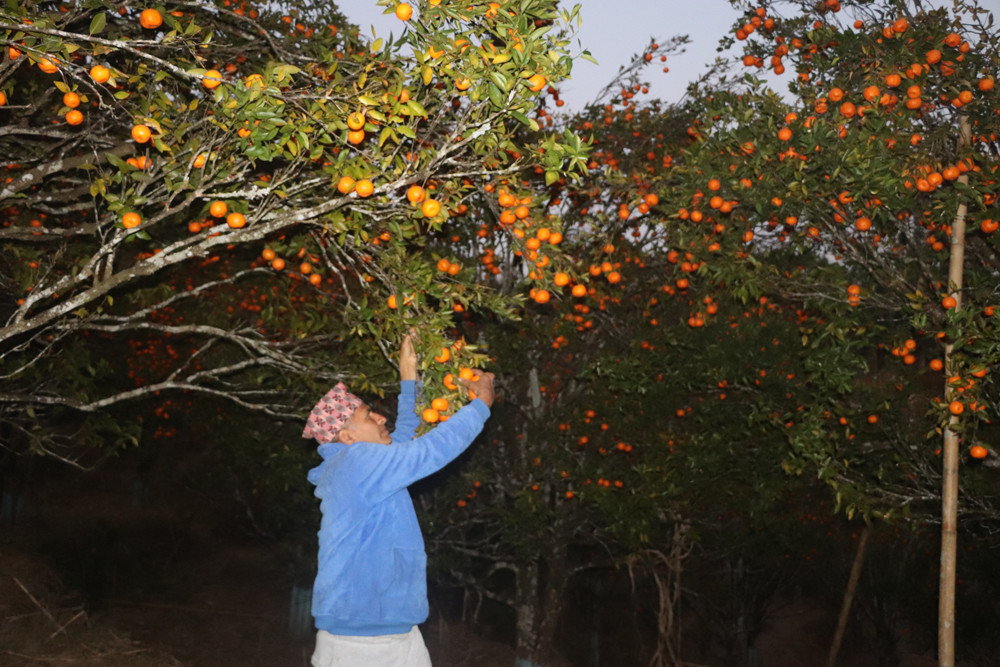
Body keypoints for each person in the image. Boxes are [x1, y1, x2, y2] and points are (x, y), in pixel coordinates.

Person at [302, 332, 495, 667]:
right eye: (368, 415)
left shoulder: (360, 466)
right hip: (360, 640)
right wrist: (481, 406)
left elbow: (405, 436)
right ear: (347, 437)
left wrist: (410, 379)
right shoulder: (355, 464)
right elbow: (427, 452)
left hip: (394, 629)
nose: (380, 417)